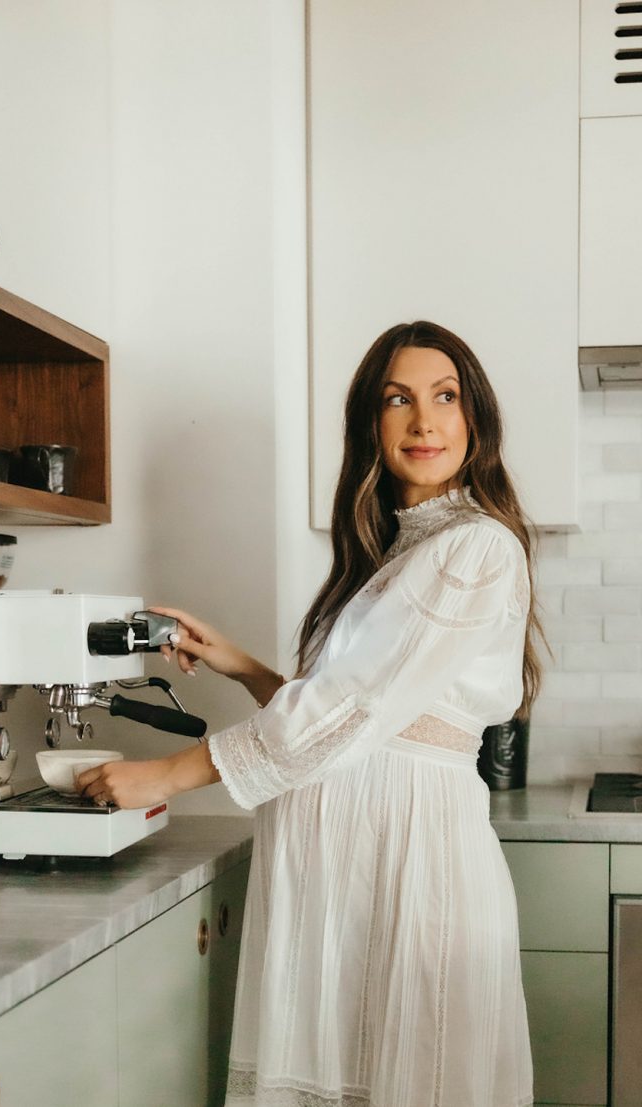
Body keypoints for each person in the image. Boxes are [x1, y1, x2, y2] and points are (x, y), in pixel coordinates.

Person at [77, 320, 539, 1107]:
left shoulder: (477, 549)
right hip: (348, 885)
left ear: (476, 420)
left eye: (445, 397)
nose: (424, 420)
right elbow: (357, 716)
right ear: (371, 421)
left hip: (411, 868)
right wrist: (243, 665)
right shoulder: (396, 551)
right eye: (399, 399)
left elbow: (348, 709)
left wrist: (162, 775)